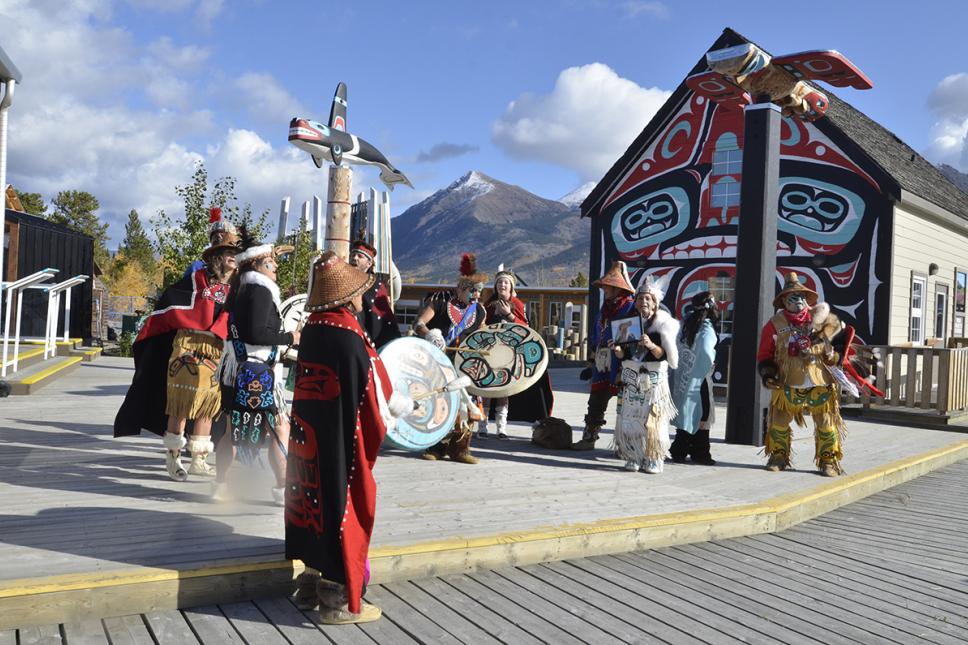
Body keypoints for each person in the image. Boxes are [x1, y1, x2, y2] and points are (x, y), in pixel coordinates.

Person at [285, 251, 412, 624]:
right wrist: (385, 421)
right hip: (340, 438)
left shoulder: (314, 327)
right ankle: (337, 599)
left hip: (310, 436)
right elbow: (370, 396)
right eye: (359, 291)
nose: (363, 297)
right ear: (346, 296)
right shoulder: (349, 336)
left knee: (312, 503)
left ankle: (309, 583)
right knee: (343, 505)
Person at [114, 233, 241, 481]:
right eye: (229, 253)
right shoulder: (197, 280)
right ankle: (173, 458)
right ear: (217, 256)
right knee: (181, 403)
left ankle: (199, 459)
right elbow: (172, 303)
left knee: (207, 405)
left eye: (236, 253)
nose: (233, 257)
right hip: (188, 345)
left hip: (217, 349)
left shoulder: (237, 288)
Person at [212, 232, 299, 504]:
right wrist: (290, 338)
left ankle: (221, 485)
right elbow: (256, 333)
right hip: (258, 370)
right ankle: (282, 488)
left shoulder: (242, 289)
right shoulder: (260, 290)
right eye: (271, 262)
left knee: (230, 429)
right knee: (279, 428)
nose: (276, 266)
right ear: (257, 265)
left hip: (236, 369)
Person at [757, 272, 847, 477]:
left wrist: (832, 355)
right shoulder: (774, 324)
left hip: (819, 381)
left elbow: (842, 348)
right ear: (783, 301)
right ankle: (779, 456)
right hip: (788, 382)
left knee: (826, 422)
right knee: (779, 421)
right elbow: (764, 353)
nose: (799, 301)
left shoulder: (823, 320)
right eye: (793, 297)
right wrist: (768, 373)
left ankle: (828, 461)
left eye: (802, 297)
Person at [412, 252, 488, 463]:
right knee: (439, 402)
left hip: (464, 364)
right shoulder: (440, 300)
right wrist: (429, 333)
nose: (476, 296)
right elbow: (418, 322)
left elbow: (481, 336)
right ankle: (435, 446)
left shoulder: (479, 311)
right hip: (438, 361)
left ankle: (461, 449)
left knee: (466, 404)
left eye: (479, 292)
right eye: (473, 291)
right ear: (460, 288)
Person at [611, 278, 679, 473]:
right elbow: (624, 354)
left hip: (653, 378)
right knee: (631, 418)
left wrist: (650, 345)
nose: (643, 302)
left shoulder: (663, 325)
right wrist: (617, 349)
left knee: (654, 418)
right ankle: (634, 455)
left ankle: (654, 457)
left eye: (648, 299)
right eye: (640, 298)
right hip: (632, 376)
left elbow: (665, 355)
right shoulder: (629, 323)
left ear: (655, 302)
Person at [572, 260, 636, 450]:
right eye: (605, 286)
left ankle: (625, 445)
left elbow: (631, 336)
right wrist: (591, 362)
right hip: (602, 362)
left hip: (621, 362)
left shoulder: (630, 307)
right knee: (596, 401)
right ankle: (589, 438)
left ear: (618, 288)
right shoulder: (604, 309)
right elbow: (596, 332)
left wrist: (622, 354)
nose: (605, 290)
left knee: (625, 405)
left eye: (608, 287)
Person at [669, 292, 720, 465]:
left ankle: (679, 450)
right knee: (702, 415)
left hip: (684, 375)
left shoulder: (685, 325)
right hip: (699, 378)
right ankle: (700, 452)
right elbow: (706, 351)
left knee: (686, 410)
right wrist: (709, 364)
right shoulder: (706, 328)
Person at [478, 264, 527, 439]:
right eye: (500, 283)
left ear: (511, 286)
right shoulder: (489, 305)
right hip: (490, 352)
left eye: (506, 283)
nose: (502, 286)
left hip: (510, 354)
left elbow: (526, 328)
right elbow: (481, 326)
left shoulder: (517, 304)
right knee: (486, 388)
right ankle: (482, 426)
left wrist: (509, 315)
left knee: (503, 390)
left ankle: (501, 428)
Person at [348, 236, 401, 348]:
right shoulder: (342, 280)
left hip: (366, 342)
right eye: (353, 255)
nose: (354, 258)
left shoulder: (375, 284)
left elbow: (381, 318)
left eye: (360, 256)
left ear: (369, 263)